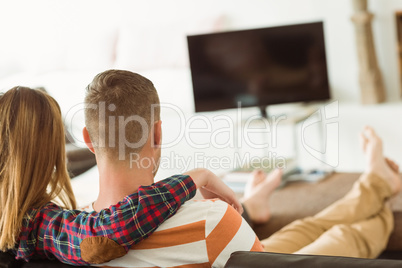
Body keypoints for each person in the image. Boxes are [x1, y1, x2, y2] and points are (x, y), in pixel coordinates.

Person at [79, 69, 400, 267]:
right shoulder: (208, 221)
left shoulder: (75, 231)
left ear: (88, 140)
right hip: (243, 257)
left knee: (305, 227)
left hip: (226, 252)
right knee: (349, 233)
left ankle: (376, 184)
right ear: (158, 133)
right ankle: (378, 188)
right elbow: (259, 258)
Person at [0, 86, 241, 265]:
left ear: (89, 140)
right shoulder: (36, 223)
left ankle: (254, 202)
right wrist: (196, 177)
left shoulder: (31, 220)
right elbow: (102, 237)